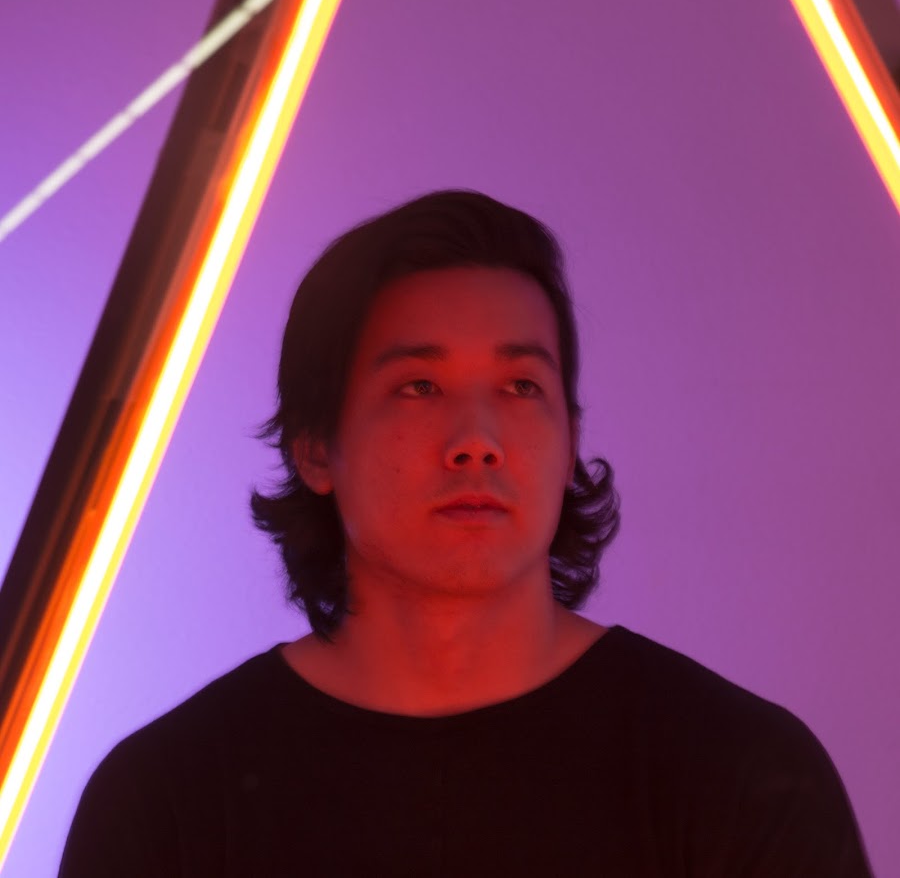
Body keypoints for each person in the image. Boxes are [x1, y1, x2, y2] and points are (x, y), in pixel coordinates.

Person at [59, 190, 873, 876]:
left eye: (520, 387)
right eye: (419, 386)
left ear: (571, 441)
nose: (477, 440)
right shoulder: (165, 801)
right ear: (315, 447)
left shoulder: (739, 772)